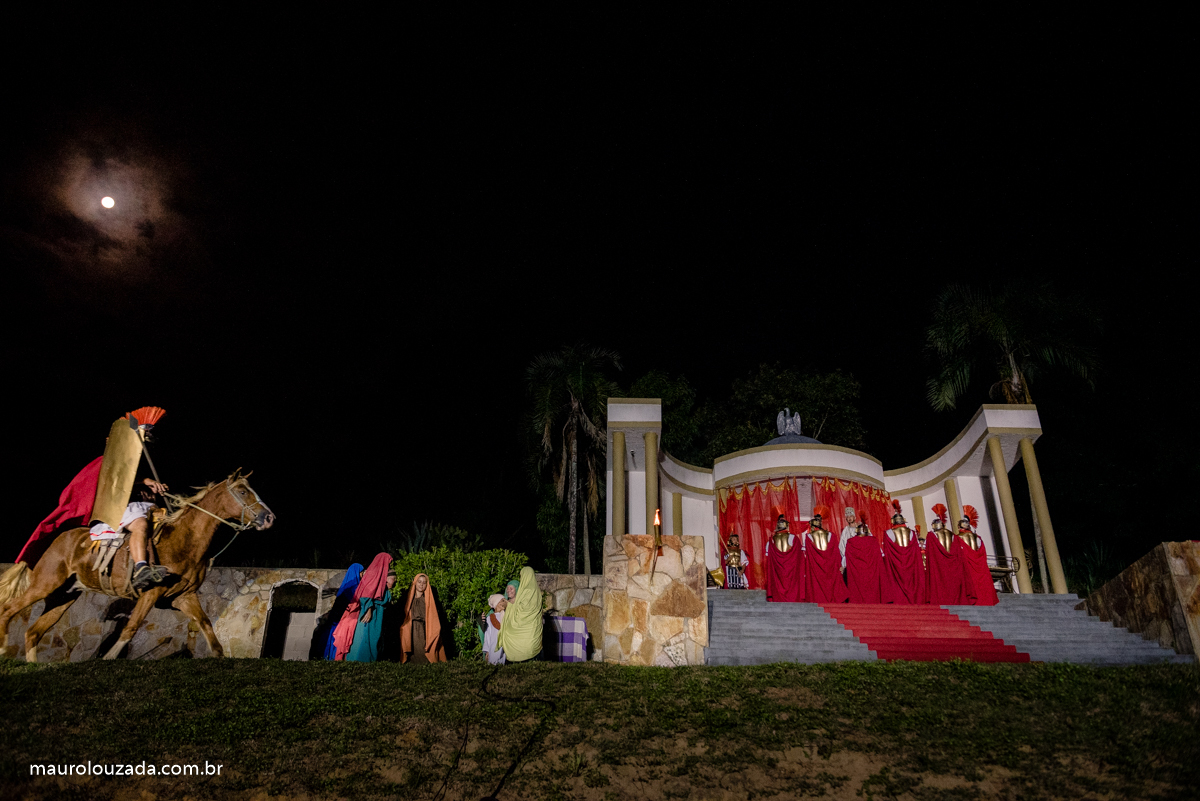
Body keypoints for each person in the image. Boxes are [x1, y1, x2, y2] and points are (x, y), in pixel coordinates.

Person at [331, 553, 394, 661]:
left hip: (377, 612)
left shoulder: (381, 575)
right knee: (366, 637)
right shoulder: (373, 574)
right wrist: (369, 609)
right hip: (369, 612)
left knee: (374, 638)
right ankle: (361, 659)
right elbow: (366, 593)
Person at [497, 566, 543, 662]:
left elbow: (523, 612)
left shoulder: (528, 591)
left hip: (528, 635)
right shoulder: (535, 591)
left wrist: (508, 605)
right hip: (533, 633)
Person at [956, 506, 999, 606]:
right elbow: (981, 549)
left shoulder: (958, 538)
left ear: (959, 527)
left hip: (967, 563)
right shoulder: (977, 537)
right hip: (978, 562)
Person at [400, 573, 448, 663]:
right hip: (411, 627)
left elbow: (432, 616)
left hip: (423, 627)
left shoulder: (428, 600)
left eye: (424, 582)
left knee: (421, 647)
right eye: (419, 582)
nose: (421, 584)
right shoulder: (409, 598)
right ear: (415, 583)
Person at [804, 508, 848, 603]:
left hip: (816, 571)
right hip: (830, 568)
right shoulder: (831, 536)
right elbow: (836, 555)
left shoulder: (808, 537)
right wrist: (840, 565)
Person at [321, 562, 363, 660]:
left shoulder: (346, 585)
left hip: (338, 618)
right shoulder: (354, 587)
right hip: (345, 619)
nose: (362, 575)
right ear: (357, 573)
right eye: (361, 573)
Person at [845, 510, 884, 603]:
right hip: (870, 570)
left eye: (851, 516)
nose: (849, 518)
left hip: (857, 569)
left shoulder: (852, 541)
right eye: (848, 516)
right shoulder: (873, 540)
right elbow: (880, 555)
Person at [764, 515, 803, 602]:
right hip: (791, 570)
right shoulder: (794, 538)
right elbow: (799, 557)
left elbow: (768, 559)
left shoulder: (771, 540)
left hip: (777, 572)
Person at [482, 593, 507, 665]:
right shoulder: (490, 618)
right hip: (494, 646)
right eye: (502, 601)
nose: (504, 603)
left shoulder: (507, 615)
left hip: (505, 646)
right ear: (496, 603)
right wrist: (487, 651)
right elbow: (488, 635)